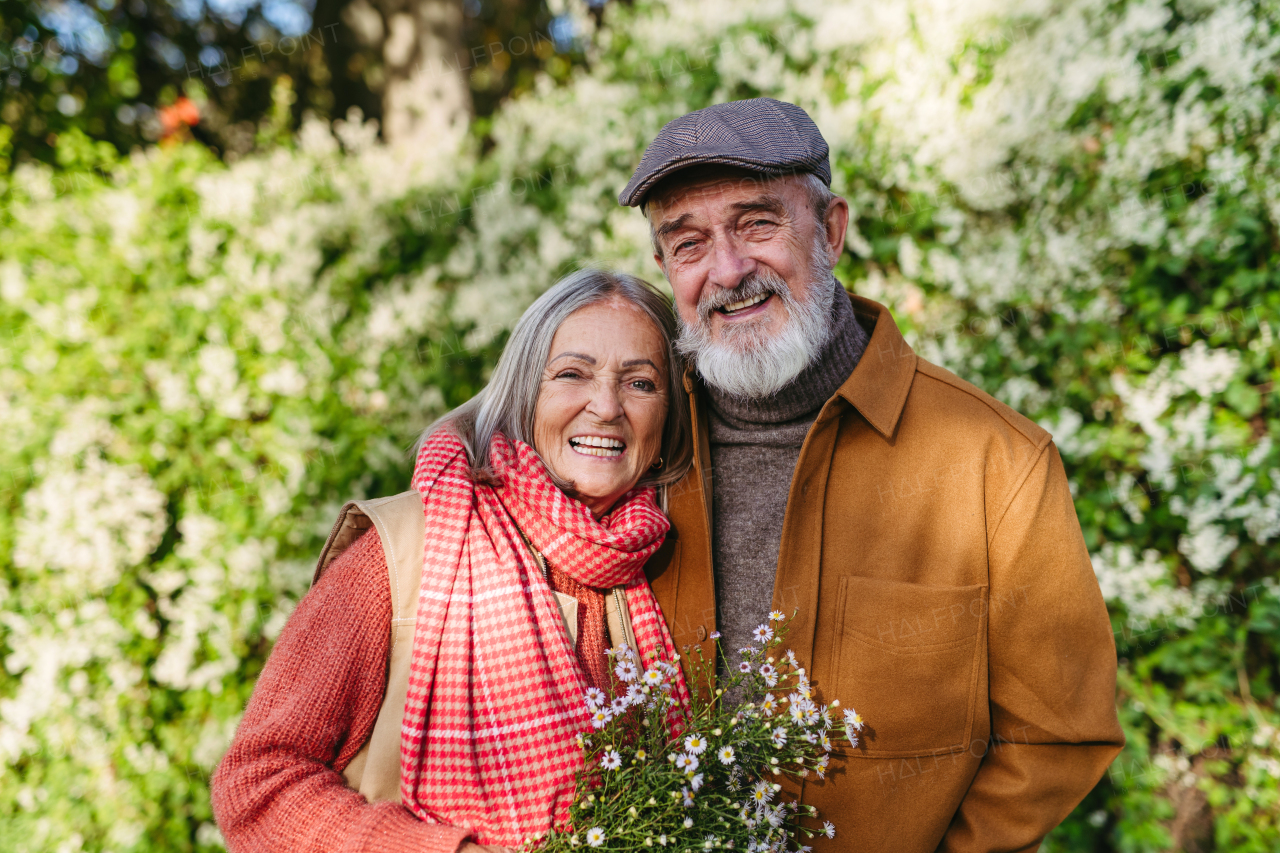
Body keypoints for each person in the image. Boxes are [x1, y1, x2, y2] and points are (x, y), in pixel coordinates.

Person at [619, 98, 1125, 852]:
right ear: (665, 270)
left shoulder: (996, 462)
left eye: (758, 224)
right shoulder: (631, 450)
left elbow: (1061, 734)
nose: (727, 270)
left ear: (830, 230)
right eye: (688, 243)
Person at [211, 270, 693, 852]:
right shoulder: (405, 553)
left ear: (668, 418)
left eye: (641, 383)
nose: (606, 406)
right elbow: (256, 781)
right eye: (572, 374)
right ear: (524, 393)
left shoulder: (663, 565)